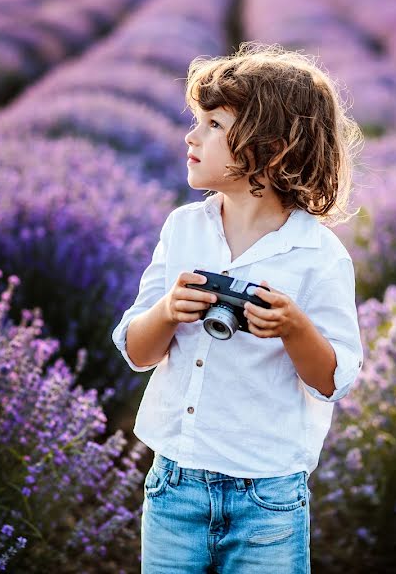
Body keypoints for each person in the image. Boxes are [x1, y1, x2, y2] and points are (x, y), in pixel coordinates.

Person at [110, 42, 365, 573]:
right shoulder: (183, 228)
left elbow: (332, 380)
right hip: (174, 481)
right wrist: (168, 311)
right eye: (196, 121)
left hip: (267, 495)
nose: (190, 136)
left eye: (213, 125)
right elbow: (136, 350)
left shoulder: (318, 256)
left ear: (269, 148)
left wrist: (294, 329)